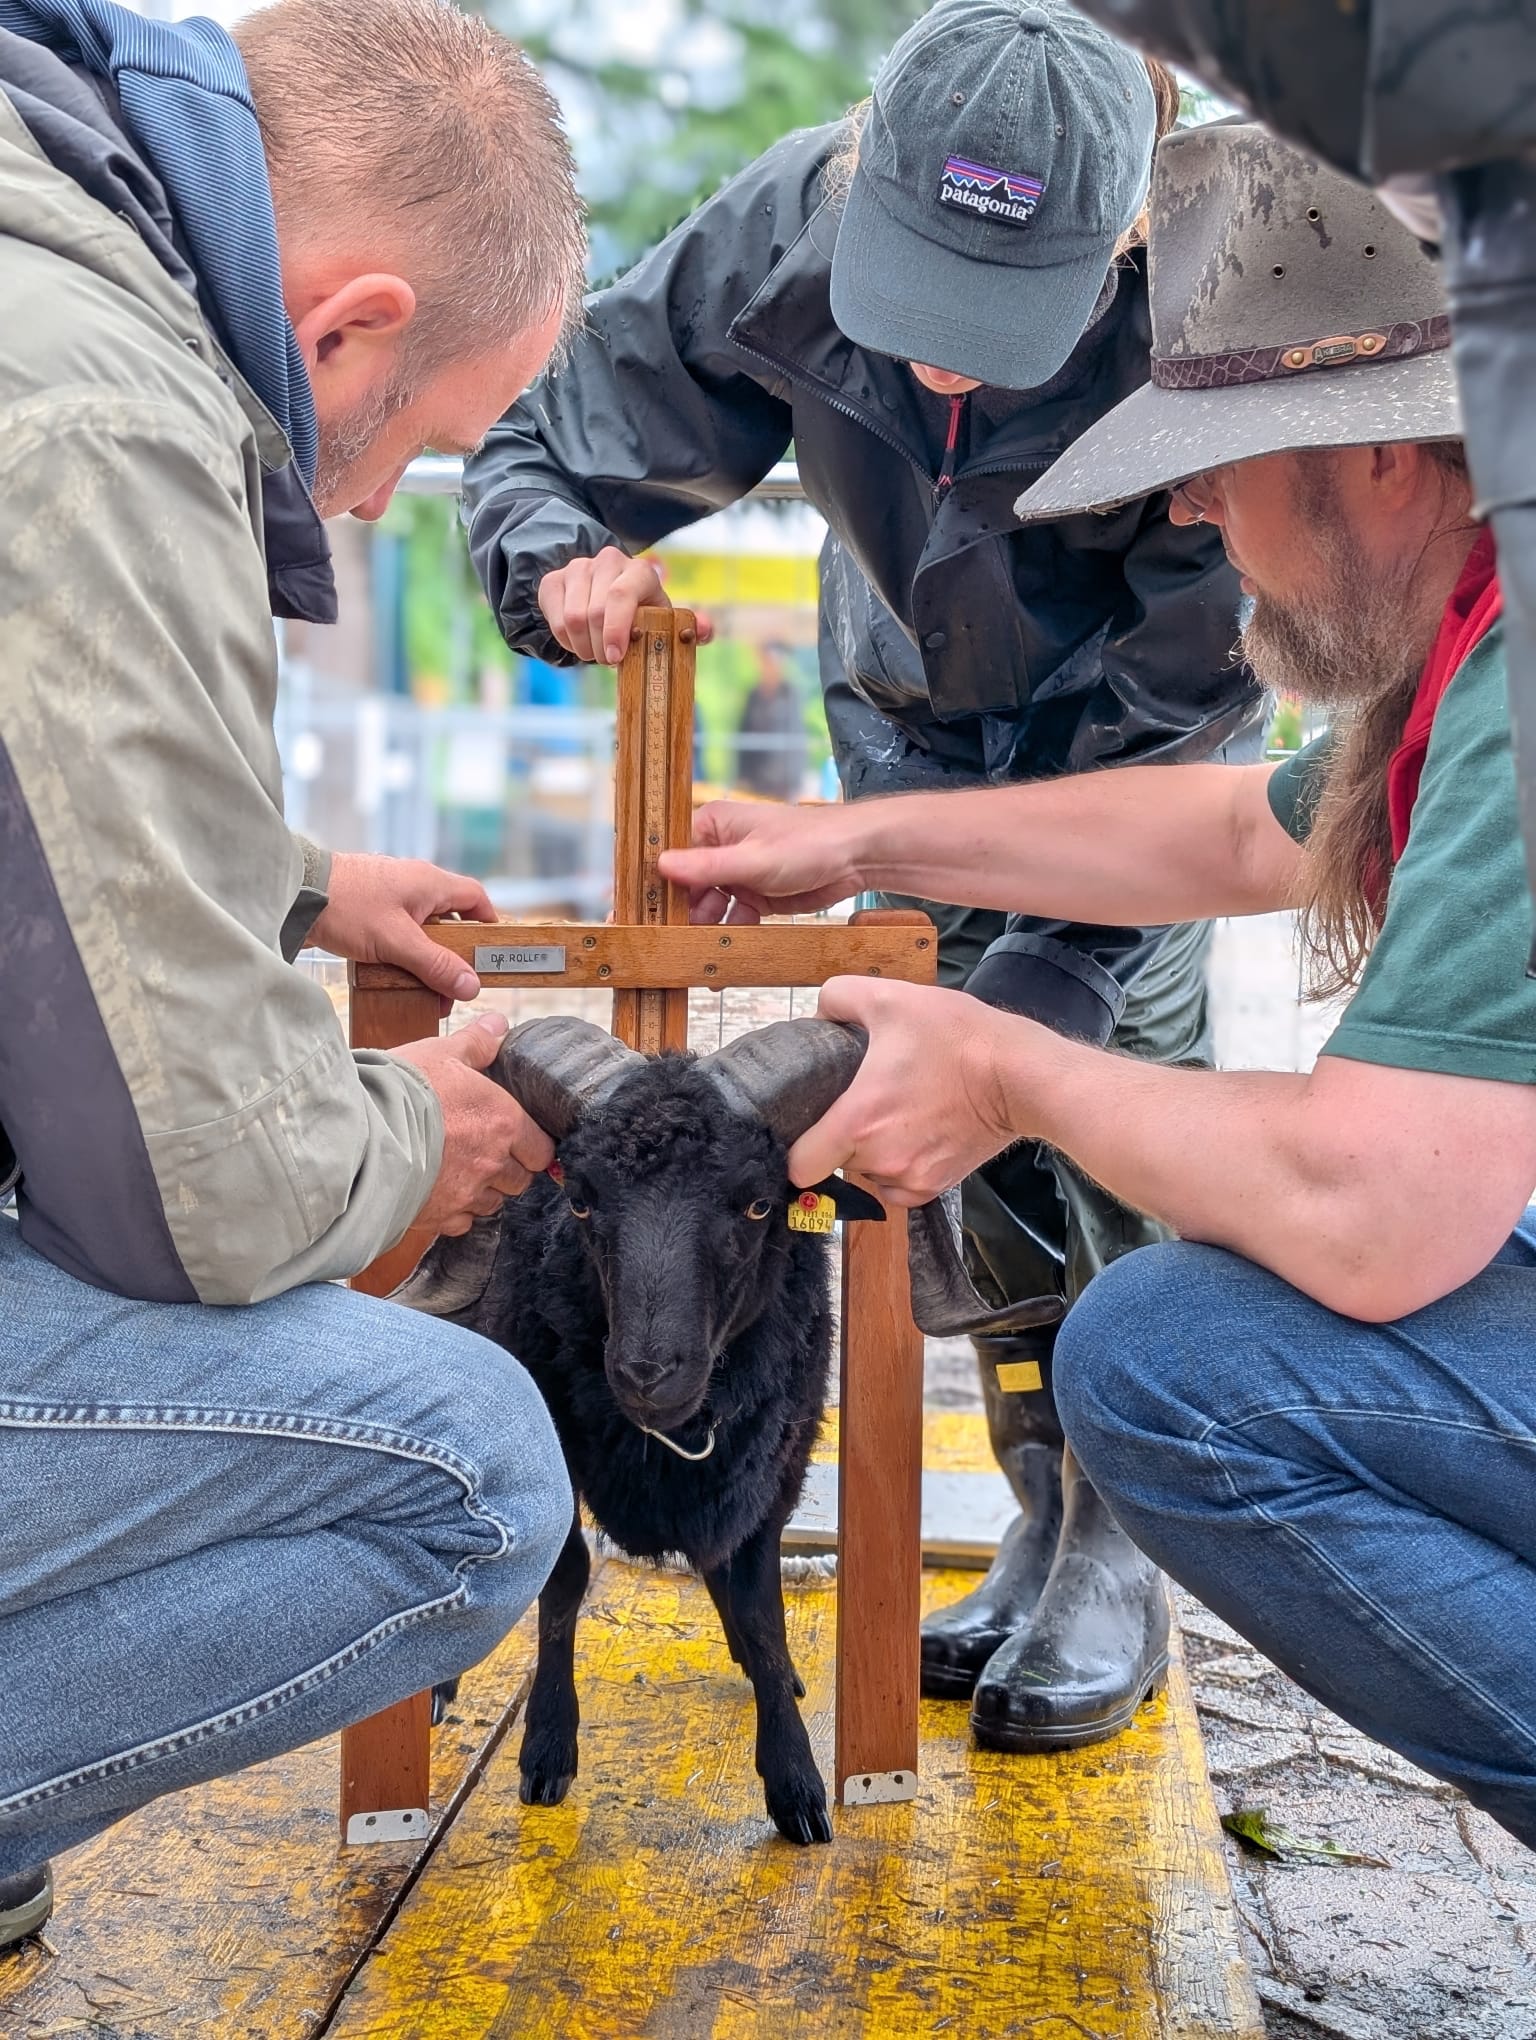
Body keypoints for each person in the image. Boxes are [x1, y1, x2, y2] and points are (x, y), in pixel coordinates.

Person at [658, 122, 1536, 1848]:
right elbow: (1225, 834)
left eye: (1222, 458)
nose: (1192, 507)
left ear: (1377, 451)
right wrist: (857, 849)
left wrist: (1001, 1072)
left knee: (1168, 1354)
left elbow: (1372, 1216)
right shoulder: (1467, 643)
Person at [464, 0, 1264, 1754]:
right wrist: (556, 558)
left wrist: (1048, 983)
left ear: (1121, 237)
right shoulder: (783, 222)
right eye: (921, 323)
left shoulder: (1220, 298)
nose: (954, 379)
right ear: (864, 189)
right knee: (930, 1136)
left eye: (1005, 332)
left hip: (1135, 756)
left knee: (1103, 1107)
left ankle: (1122, 1541)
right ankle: (1039, 1502)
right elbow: (546, 439)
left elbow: (1197, 710)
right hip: (903, 707)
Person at [0, 0, 585, 1951]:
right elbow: (201, 1196)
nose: (353, 506)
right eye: (414, 442)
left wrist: (296, 883)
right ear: (344, 326)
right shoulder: (104, 412)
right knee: (468, 1464)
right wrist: (422, 1130)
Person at [735, 645, 808, 801]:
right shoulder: (753, 696)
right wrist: (742, 776)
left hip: (781, 784)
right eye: (766, 662)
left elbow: (796, 739)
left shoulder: (789, 695)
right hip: (756, 783)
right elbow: (744, 736)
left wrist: (794, 782)